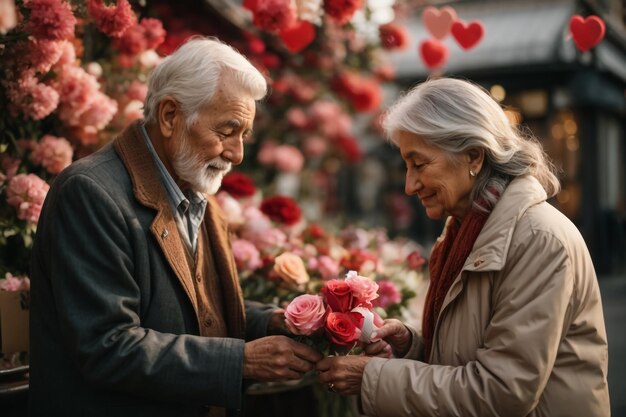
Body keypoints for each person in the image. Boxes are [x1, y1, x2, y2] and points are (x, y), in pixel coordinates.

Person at [29, 37, 321, 417]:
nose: (237, 153)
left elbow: (195, 308)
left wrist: (276, 322)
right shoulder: (90, 193)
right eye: (226, 131)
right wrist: (241, 361)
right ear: (169, 116)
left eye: (243, 135)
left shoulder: (192, 190)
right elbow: (107, 346)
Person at [316, 77, 610, 416]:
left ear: (473, 156)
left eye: (420, 164)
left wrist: (373, 377)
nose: (410, 185)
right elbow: (472, 355)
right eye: (406, 166)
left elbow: (502, 391)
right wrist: (411, 345)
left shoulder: (537, 238)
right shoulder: (466, 229)